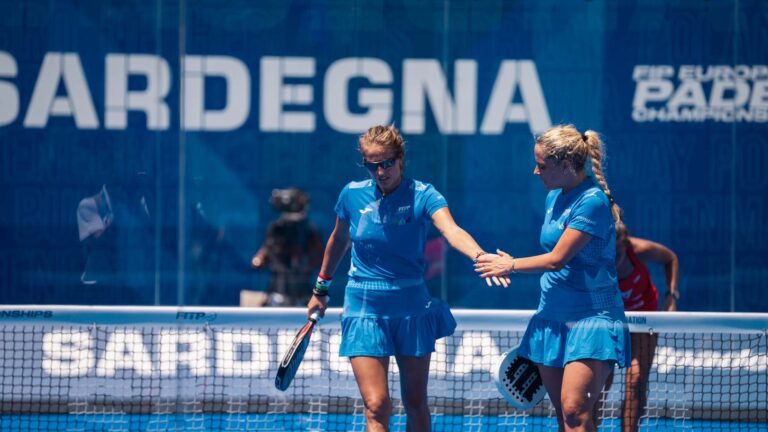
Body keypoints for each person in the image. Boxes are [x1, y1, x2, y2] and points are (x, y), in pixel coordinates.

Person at [306, 124, 505, 432]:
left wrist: (479, 256)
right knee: (376, 405)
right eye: (372, 165)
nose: (380, 171)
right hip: (364, 308)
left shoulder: (424, 195)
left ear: (400, 159)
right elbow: (339, 238)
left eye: (386, 163)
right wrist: (321, 288)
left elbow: (451, 230)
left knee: (415, 402)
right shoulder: (351, 195)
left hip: (411, 308)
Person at [474, 124, 631, 432]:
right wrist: (511, 263)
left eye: (542, 165)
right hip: (552, 316)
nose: (536, 172)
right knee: (564, 417)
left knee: (575, 412)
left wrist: (510, 265)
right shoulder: (553, 197)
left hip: (592, 319)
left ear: (567, 165)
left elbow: (557, 259)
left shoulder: (593, 202)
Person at [600, 219, 679, 431]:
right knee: (602, 381)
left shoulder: (640, 250)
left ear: (625, 245)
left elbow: (670, 258)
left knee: (636, 381)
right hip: (611, 319)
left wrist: (671, 295)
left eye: (617, 252)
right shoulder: (595, 255)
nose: (613, 257)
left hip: (644, 318)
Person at [251, 188, 323, 306]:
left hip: (302, 292)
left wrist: (304, 261)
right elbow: (266, 248)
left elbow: (319, 256)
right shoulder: (276, 228)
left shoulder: (309, 230)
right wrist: (261, 258)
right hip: (278, 292)